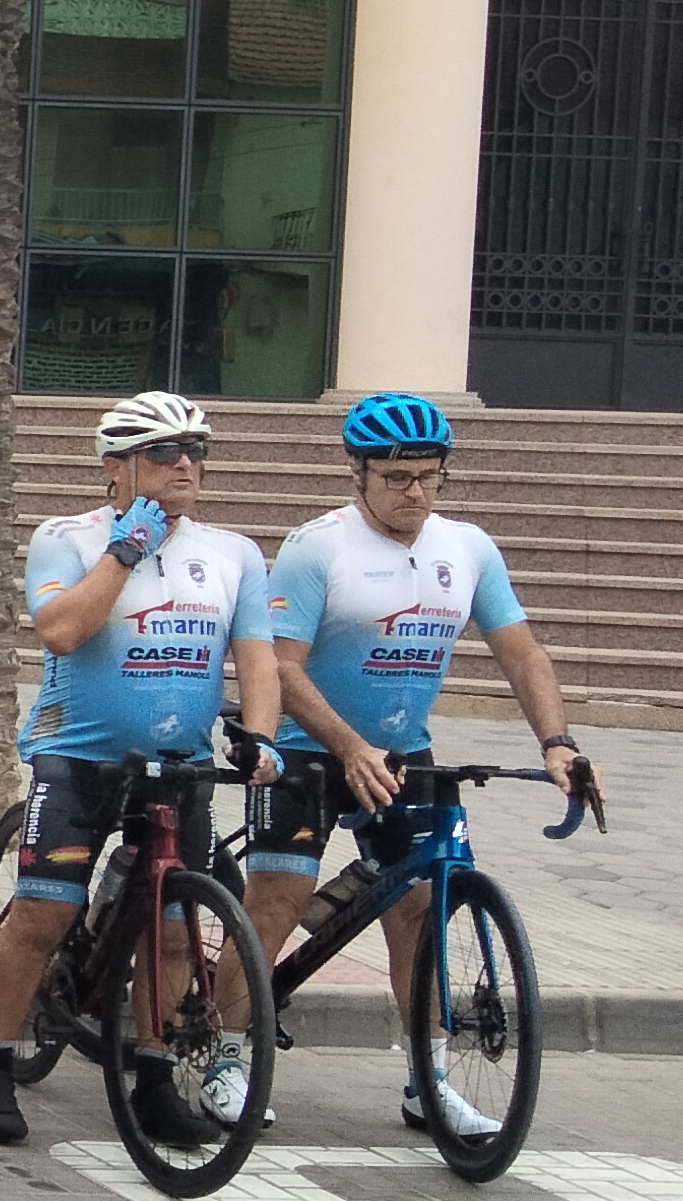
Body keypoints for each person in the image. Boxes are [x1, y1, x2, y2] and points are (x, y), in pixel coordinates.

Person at [249, 393, 604, 1146]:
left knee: (419, 910)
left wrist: (558, 742)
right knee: (278, 899)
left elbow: (522, 653)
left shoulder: (467, 548)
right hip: (310, 747)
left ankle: (428, 1081)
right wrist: (348, 746)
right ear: (359, 473)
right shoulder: (319, 548)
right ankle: (225, 1051)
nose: (415, 491)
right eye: (397, 477)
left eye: (430, 475)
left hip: (403, 749)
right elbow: (283, 668)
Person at [0, 391, 279, 1147]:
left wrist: (262, 738)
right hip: (78, 757)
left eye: (195, 452)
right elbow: (62, 631)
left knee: (172, 933)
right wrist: (126, 550)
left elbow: (257, 657)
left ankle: (153, 1077)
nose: (185, 466)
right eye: (164, 454)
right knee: (43, 916)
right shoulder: (65, 539)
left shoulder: (233, 553)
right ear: (116, 468)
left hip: (180, 767)